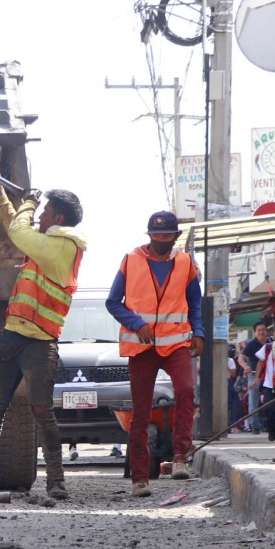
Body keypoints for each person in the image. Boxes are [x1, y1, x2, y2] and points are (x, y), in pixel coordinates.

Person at [0, 186, 87, 499]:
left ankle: (56, 481)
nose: (39, 215)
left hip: (40, 343)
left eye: (45, 211)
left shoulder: (62, 246)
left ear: (58, 217)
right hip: (15, 336)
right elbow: (13, 223)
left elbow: (18, 230)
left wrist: (29, 200)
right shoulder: (45, 244)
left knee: (42, 411)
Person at [106, 210, 205, 497]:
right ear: (149, 236)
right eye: (156, 235)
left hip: (176, 344)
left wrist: (198, 332)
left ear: (175, 237)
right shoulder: (130, 261)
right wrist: (137, 324)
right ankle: (140, 479)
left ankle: (180, 458)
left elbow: (194, 302)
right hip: (143, 346)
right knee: (141, 411)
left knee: (186, 391)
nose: (161, 240)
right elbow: (113, 302)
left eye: (166, 236)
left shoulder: (186, 263)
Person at [242, 321, 268, 432]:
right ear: (254, 333)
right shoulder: (251, 344)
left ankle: (269, 423)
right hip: (253, 375)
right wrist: (245, 367)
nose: (261, 332)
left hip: (269, 375)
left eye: (263, 330)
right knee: (253, 400)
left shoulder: (272, 342)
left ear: (267, 331)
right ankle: (255, 425)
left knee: (270, 399)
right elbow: (241, 358)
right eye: (259, 330)